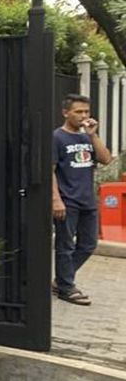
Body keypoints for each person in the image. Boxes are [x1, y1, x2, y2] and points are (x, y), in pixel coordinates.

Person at [52, 93, 111, 305]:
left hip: (88, 200)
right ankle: (66, 287)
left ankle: (61, 279)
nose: (83, 116)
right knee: (65, 246)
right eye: (78, 111)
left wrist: (93, 136)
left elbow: (106, 159)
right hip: (68, 200)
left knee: (88, 244)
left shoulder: (87, 137)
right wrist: (56, 200)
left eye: (86, 111)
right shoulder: (57, 137)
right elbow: (50, 171)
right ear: (65, 112)